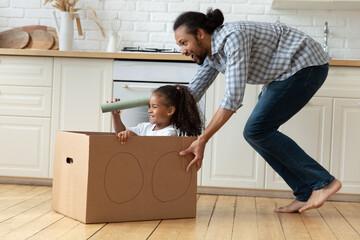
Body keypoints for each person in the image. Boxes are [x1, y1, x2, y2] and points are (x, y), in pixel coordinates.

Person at [173, 8, 342, 213]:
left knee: (256, 130)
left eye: (184, 43)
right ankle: (305, 192)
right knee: (256, 133)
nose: (182, 50)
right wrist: (161, 105)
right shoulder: (211, 55)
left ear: (200, 34)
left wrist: (202, 139)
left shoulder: (232, 38)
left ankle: (323, 182)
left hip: (305, 65)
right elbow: (192, 93)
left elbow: (233, 97)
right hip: (284, 74)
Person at [110, 85, 203, 144]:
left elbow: (151, 149)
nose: (149, 111)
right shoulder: (145, 127)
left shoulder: (169, 133)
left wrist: (134, 137)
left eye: (154, 107)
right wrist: (116, 116)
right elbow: (121, 133)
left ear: (170, 111)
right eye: (149, 106)